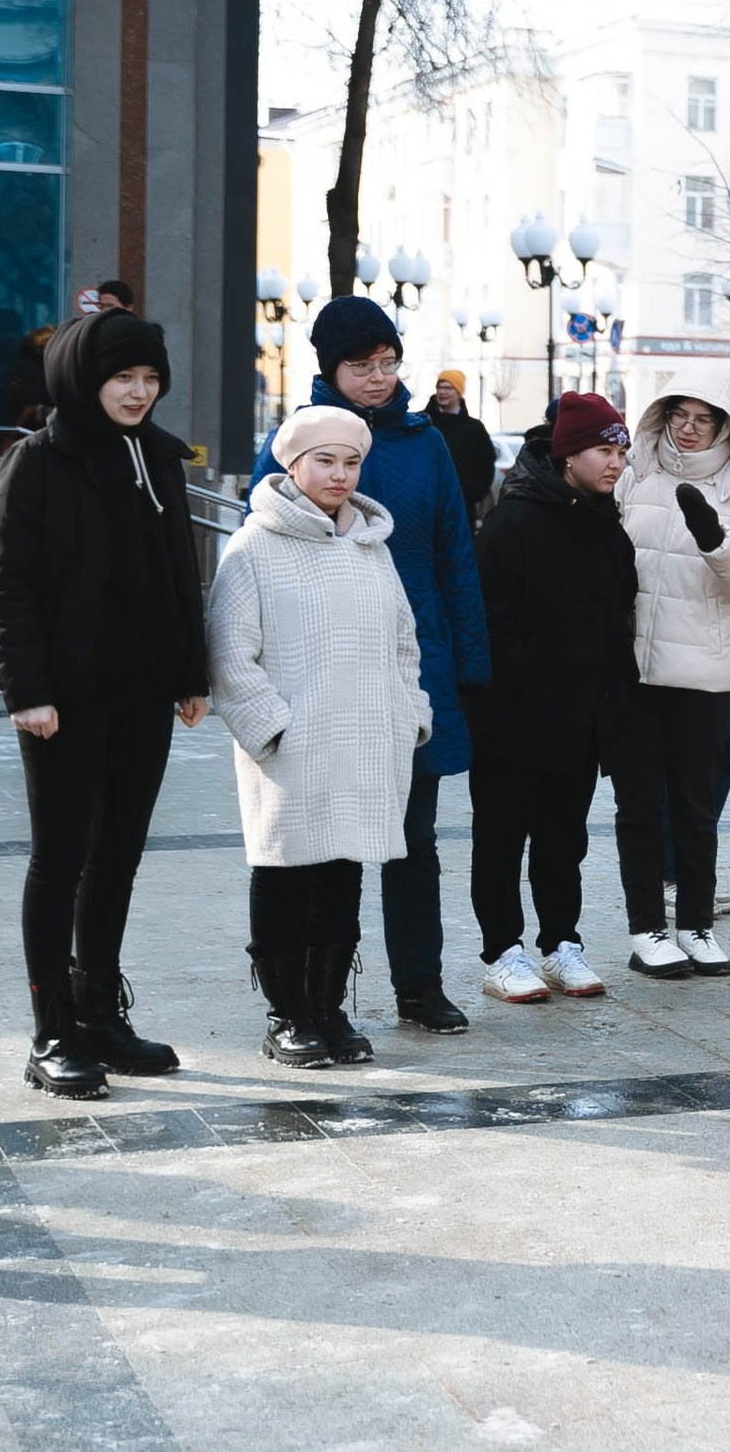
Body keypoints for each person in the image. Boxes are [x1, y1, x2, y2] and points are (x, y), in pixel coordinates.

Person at [0, 311, 209, 1099]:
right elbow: (6, 584)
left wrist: (191, 671)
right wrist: (28, 691)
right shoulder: (37, 461)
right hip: (67, 698)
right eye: (124, 379)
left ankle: (99, 1015)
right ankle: (51, 1033)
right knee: (61, 858)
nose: (139, 393)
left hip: (144, 690)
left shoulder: (158, 457)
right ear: (85, 378)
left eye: (150, 379)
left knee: (118, 856)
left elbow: (179, 567)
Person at [252, 297, 487, 1034]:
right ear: (330, 368)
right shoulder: (298, 442)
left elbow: (456, 554)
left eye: (388, 362)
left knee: (414, 840)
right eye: (362, 365)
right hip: (323, 675)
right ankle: (317, 1000)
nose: (379, 377)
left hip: (416, 671)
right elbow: (261, 554)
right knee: (332, 842)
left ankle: (420, 984)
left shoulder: (425, 443)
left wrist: (469, 667)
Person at [209, 408, 433, 1069]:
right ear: (292, 466)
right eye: (324, 461)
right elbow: (229, 654)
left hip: (365, 739)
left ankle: (329, 1008)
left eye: (351, 462)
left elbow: (404, 642)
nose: (339, 475)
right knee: (283, 873)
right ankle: (287, 1015)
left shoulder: (372, 547)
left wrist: (409, 712)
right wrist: (272, 729)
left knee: (342, 874)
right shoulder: (253, 546)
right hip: (291, 747)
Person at [465, 393, 635, 1005]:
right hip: (514, 716)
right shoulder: (514, 521)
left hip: (580, 719)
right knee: (503, 835)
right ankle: (502, 950)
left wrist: (612, 709)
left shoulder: (608, 526)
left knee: (565, 839)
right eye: (602, 451)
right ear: (567, 455)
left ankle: (561, 942)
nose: (615, 463)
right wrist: (521, 687)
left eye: (621, 452)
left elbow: (618, 620)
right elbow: (491, 621)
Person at [613, 367, 730, 979]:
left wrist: (715, 537)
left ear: (724, 426)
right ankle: (647, 928)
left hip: (704, 673)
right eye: (678, 415)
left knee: (695, 807)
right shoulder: (636, 477)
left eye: (702, 419)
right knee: (638, 806)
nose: (687, 428)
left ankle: (697, 925)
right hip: (635, 672)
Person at [427, 369, 499, 519]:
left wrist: (471, 494)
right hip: (425, 504)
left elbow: (486, 464)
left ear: (459, 392)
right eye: (440, 387)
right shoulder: (423, 423)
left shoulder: (474, 428)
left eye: (448, 387)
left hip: (462, 506)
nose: (442, 392)